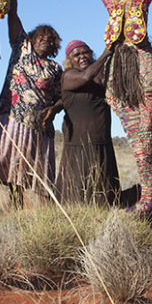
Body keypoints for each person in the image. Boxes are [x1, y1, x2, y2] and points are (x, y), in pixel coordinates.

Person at [0, 24, 63, 207]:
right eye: (40, 38)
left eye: (50, 40)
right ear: (32, 40)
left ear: (54, 45)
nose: (45, 42)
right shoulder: (21, 52)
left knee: (39, 171)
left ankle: (46, 214)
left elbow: (63, 98)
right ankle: (16, 208)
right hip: (12, 119)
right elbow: (14, 17)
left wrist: (54, 109)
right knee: (13, 167)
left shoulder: (55, 69)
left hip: (39, 125)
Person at [57, 40, 120, 205]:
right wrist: (107, 53)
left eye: (86, 52)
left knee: (105, 190)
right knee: (77, 190)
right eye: (76, 55)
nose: (82, 57)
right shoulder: (69, 75)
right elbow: (85, 77)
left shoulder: (100, 73)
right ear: (70, 60)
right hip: (79, 143)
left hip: (102, 140)